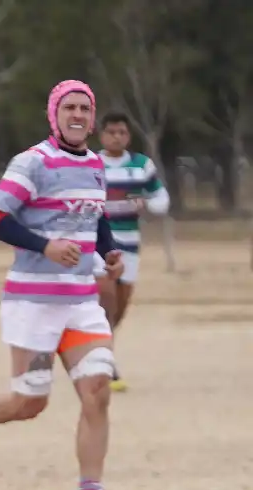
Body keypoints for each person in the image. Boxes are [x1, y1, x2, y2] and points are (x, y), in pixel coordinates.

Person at [0, 80, 136, 490]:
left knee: (98, 390)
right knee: (30, 402)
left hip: (81, 302)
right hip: (33, 302)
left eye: (85, 107)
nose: (78, 114)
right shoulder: (32, 162)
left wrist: (109, 251)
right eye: (69, 107)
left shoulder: (96, 165)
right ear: (55, 114)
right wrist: (45, 246)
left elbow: (96, 215)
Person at [91, 111, 170, 392]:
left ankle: (99, 351)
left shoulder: (141, 165)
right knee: (107, 300)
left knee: (120, 306)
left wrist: (146, 203)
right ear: (101, 134)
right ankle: (106, 364)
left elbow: (162, 199)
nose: (116, 137)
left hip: (130, 245)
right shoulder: (90, 163)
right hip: (98, 245)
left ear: (128, 135)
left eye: (122, 132)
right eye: (111, 132)